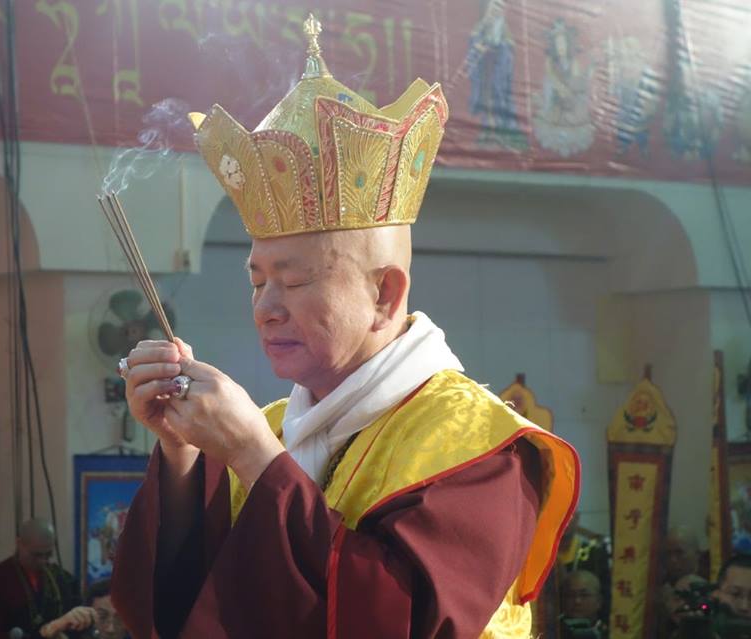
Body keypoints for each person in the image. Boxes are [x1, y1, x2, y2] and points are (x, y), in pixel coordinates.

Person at [110, 13, 579, 639]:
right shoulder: (272, 426)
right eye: (257, 280)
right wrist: (182, 455)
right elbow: (176, 612)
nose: (266, 307)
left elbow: (404, 623)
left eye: (295, 280)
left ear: (384, 293)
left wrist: (254, 456)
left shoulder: (480, 446)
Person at [0, 518, 82, 639]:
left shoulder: (61, 578)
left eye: (48, 554)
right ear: (19, 544)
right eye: (36, 555)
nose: (42, 561)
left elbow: (76, 617)